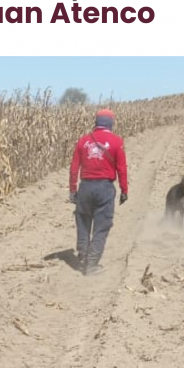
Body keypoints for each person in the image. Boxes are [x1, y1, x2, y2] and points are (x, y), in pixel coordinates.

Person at [69, 108, 128, 275]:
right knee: (101, 227)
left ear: (96, 122)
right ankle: (92, 264)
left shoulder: (83, 141)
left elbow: (74, 168)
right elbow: (122, 169)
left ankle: (82, 258)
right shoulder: (117, 142)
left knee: (83, 223)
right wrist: (124, 190)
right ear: (111, 123)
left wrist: (73, 189)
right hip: (105, 188)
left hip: (85, 187)